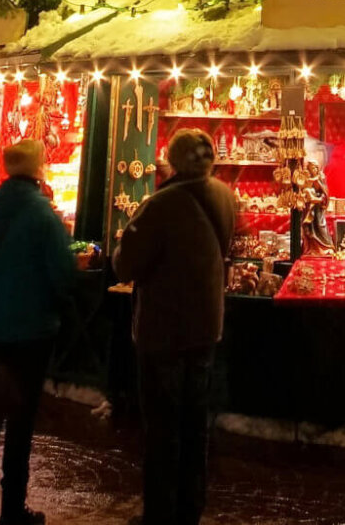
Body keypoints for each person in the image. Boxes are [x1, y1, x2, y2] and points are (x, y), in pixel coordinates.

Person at [115, 128, 237, 525]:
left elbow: (126, 264)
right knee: (195, 423)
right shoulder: (224, 195)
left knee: (163, 427)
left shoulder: (160, 205)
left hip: (164, 330)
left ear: (171, 159)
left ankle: (160, 513)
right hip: (206, 325)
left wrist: (121, 246)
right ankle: (191, 507)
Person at [0, 138, 77, 525]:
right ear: (38, 167)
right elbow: (62, 271)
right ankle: (13, 508)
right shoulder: (41, 213)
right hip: (30, 328)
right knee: (20, 421)